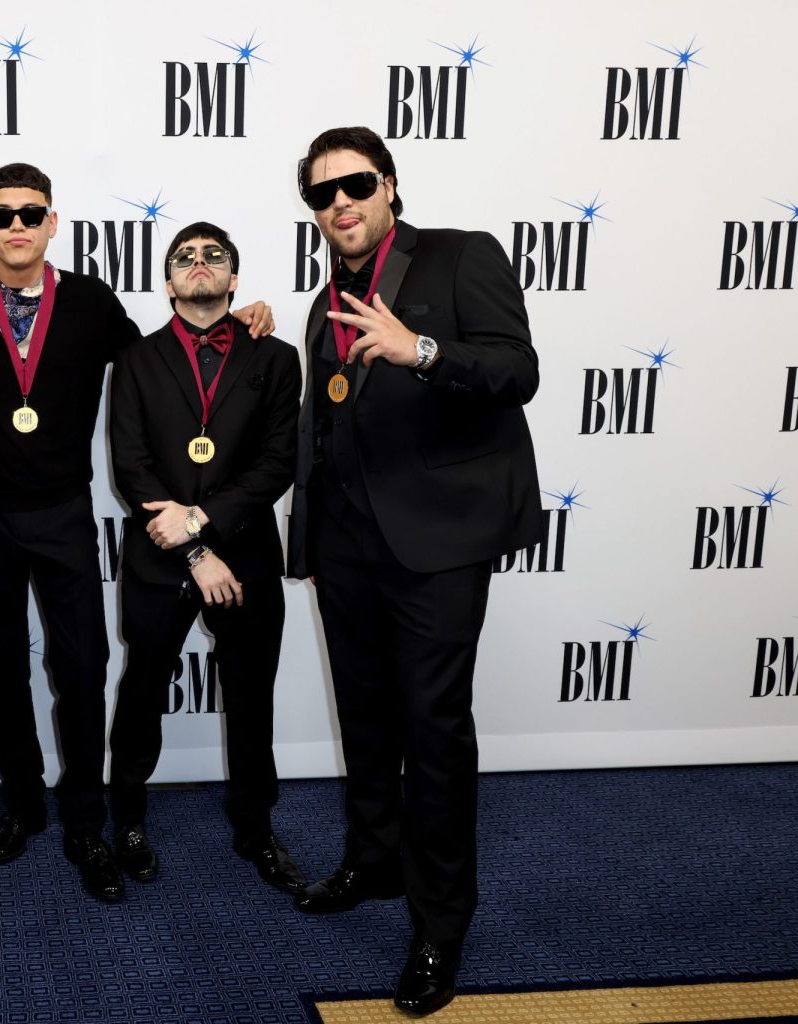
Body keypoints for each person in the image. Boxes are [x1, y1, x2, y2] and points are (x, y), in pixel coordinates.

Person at [0, 164, 276, 903]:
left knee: (82, 669)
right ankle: (23, 806)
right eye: (3, 214)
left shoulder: (90, 301)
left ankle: (85, 822)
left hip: (63, 514)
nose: (18, 225)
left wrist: (237, 319)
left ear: (53, 222)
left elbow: (167, 358)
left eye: (32, 213)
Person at [287, 126, 543, 1015]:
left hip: (437, 542)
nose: (340, 204)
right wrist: (311, 541)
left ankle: (441, 924)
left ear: (389, 185)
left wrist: (422, 351)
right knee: (364, 716)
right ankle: (373, 861)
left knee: (432, 729)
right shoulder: (326, 299)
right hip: (349, 544)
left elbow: (519, 370)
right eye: (322, 195)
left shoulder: (460, 256)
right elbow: (322, 424)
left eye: (354, 184)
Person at [106, 222, 303, 893]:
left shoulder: (276, 359)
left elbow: (278, 462)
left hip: (245, 555)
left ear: (234, 279)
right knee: (141, 692)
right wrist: (193, 546)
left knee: (252, 699)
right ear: (167, 282)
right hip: (161, 557)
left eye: (214, 256)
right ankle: (128, 818)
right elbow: (129, 464)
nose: (199, 264)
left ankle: (256, 826)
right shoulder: (135, 359)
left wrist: (205, 521)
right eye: (185, 258)